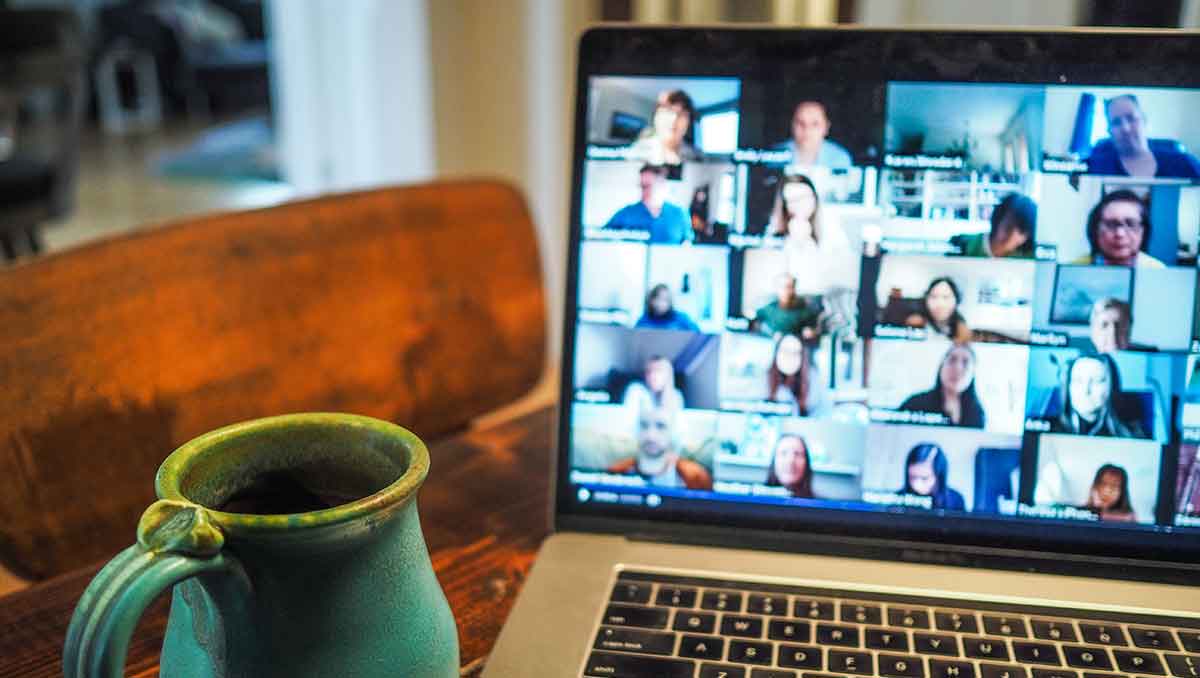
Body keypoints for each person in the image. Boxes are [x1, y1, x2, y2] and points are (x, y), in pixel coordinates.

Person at [766, 174, 851, 295]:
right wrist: (796, 244)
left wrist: (807, 245)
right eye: (793, 200)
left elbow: (839, 275)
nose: (800, 204)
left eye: (804, 197)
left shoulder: (832, 226)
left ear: (814, 197)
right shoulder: (777, 232)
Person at [1086, 95, 1200, 179]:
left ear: (1144, 121)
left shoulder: (1183, 163)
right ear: (1109, 131)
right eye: (1116, 122)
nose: (1126, 128)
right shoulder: (1096, 168)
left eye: (1131, 118)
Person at [606, 406, 713, 490]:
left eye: (661, 426)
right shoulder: (616, 472)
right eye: (644, 425)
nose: (650, 435)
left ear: (673, 432)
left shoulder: (696, 477)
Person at [1051, 353, 1148, 438]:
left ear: (1111, 387)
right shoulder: (1049, 429)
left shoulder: (1132, 435)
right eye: (1078, 381)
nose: (1085, 391)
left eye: (1097, 381)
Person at [899, 344, 986, 428]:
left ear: (973, 374)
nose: (958, 368)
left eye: (965, 363)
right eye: (952, 360)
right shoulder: (914, 404)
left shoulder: (977, 414)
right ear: (941, 367)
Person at [1071, 189, 1164, 268]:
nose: (1120, 233)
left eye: (1131, 224)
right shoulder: (1074, 269)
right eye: (1111, 224)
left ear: (1144, 231)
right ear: (1095, 229)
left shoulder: (1156, 270)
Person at [603, 163, 691, 244]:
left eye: (647, 186)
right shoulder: (626, 213)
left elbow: (686, 245)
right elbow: (602, 238)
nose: (643, 190)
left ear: (661, 184)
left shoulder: (679, 214)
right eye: (641, 186)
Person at [951, 193, 1037, 258]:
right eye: (1008, 226)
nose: (1011, 236)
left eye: (1021, 232)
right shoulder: (963, 245)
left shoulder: (1028, 259)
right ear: (998, 220)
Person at [771, 101, 852, 169]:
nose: (807, 130)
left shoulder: (839, 158)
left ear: (826, 127)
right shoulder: (775, 155)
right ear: (792, 125)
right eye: (800, 123)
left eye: (815, 124)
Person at [630, 89, 700, 166]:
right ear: (656, 117)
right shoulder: (636, 153)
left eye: (681, 114)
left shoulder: (696, 156)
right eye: (668, 111)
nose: (673, 119)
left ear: (688, 123)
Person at [766, 333, 828, 416]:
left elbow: (821, 413)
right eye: (785, 351)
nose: (789, 357)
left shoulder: (813, 379)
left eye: (795, 352)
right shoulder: (766, 378)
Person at [752, 273, 822, 339]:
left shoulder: (805, 311)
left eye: (793, 287)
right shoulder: (768, 309)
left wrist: (811, 332)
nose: (790, 291)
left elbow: (817, 329)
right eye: (786, 287)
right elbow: (755, 324)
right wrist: (771, 333)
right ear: (777, 289)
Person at [899, 443, 966, 511]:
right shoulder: (898, 498)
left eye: (924, 478)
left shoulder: (955, 499)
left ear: (939, 476)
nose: (916, 484)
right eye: (912, 477)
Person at [904, 277, 971, 343]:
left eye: (946, 297)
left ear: (956, 300)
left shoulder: (961, 327)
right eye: (934, 297)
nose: (939, 304)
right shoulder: (915, 320)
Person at [765, 434, 816, 499]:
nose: (790, 461)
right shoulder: (754, 498)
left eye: (797, 454)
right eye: (783, 453)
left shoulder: (822, 506)